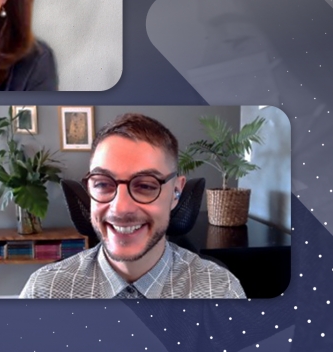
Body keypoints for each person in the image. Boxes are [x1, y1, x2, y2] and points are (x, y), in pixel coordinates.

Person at [20, 113, 246, 299]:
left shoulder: (220, 291)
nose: (120, 208)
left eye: (146, 186)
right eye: (102, 184)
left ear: (176, 192)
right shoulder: (45, 291)